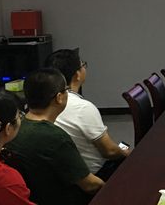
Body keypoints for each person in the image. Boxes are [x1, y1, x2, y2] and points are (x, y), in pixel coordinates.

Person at [6, 69, 105, 205]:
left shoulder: (16, 129)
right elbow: (90, 185)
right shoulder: (54, 137)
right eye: (66, 90)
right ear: (59, 97)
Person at [45, 49, 131, 181]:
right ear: (77, 75)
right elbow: (109, 151)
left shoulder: (43, 104)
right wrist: (126, 152)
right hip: (95, 175)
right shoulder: (82, 108)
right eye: (83, 65)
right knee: (130, 153)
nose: (85, 68)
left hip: (61, 177)